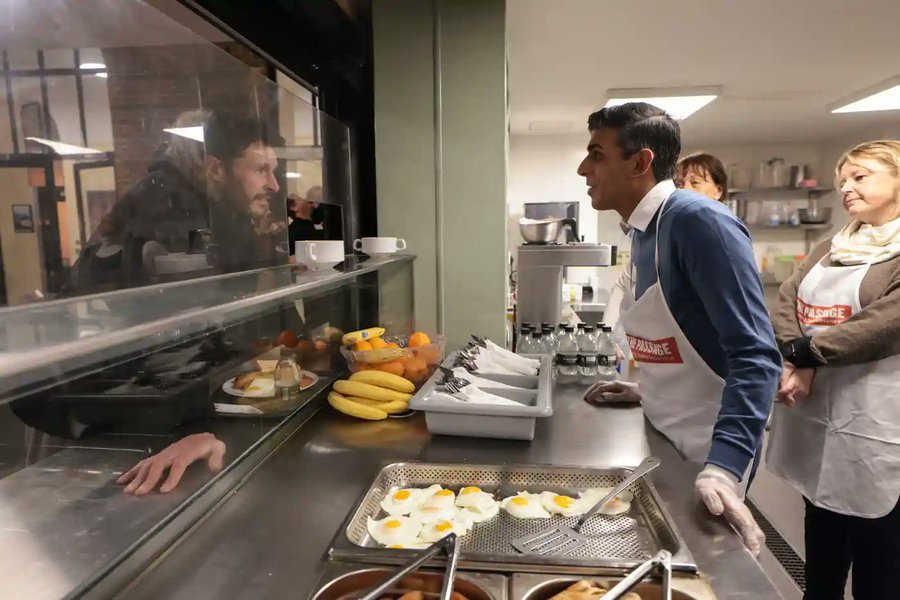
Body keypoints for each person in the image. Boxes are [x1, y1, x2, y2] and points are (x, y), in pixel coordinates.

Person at [579, 103, 781, 555]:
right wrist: (649, 388)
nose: (583, 169)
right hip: (665, 433)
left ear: (640, 162)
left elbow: (756, 356)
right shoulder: (643, 231)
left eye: (596, 154)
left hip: (707, 446)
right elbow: (686, 336)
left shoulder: (698, 222)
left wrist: (724, 469)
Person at [767, 140, 900, 598]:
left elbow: (884, 325)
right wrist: (795, 353)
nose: (846, 188)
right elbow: (787, 299)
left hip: (878, 424)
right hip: (819, 420)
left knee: (879, 565)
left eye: (860, 177)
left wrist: (808, 356)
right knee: (822, 553)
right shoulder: (831, 246)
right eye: (842, 180)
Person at [604, 152, 729, 350]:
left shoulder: (722, 236)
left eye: (695, 183)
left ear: (718, 191)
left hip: (710, 354)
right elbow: (624, 283)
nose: (685, 189)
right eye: (679, 183)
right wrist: (607, 336)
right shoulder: (663, 233)